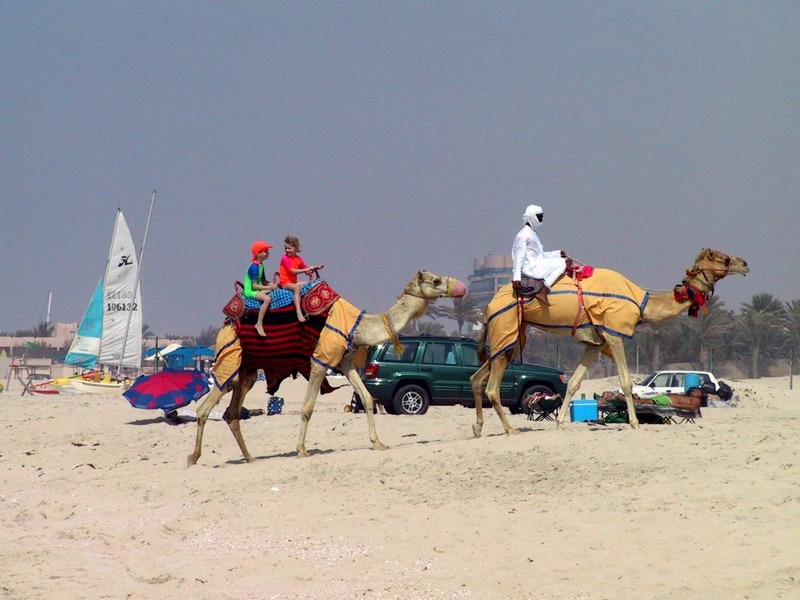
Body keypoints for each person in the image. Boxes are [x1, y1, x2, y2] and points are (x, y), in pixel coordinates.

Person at [511, 204, 567, 305]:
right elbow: (518, 257)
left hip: (536, 264)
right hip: (531, 269)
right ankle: (544, 289)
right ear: (532, 217)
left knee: (561, 260)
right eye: (539, 216)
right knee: (562, 263)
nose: (541, 219)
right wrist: (516, 278)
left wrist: (557, 254)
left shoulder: (533, 233)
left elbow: (539, 256)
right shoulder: (523, 235)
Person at [279, 235, 324, 322]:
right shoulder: (285, 258)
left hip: (293, 282)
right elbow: (293, 271)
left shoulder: (299, 259)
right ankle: (298, 311)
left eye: (289, 248)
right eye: (286, 248)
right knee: (297, 288)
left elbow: (307, 272)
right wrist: (306, 269)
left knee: (308, 284)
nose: (287, 250)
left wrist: (313, 269)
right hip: (285, 283)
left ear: (295, 248)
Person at [245, 240, 278, 337]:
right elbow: (254, 286)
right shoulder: (254, 267)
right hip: (250, 291)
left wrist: (272, 284)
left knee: (274, 290)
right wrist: (267, 287)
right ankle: (259, 323)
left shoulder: (261, 266)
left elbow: (263, 280)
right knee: (267, 299)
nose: (268, 253)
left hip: (258, 289)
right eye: (266, 251)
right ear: (258, 253)